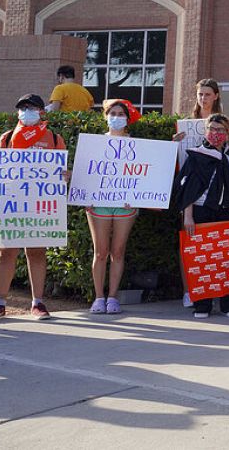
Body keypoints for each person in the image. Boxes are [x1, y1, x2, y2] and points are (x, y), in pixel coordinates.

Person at [0, 94, 68, 323]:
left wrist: (67, 175)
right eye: (23, 108)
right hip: (10, 204)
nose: (27, 112)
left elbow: (61, 172)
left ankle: (37, 302)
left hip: (38, 206)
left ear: (41, 112)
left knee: (36, 252)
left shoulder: (54, 139)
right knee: (5, 252)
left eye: (32, 108)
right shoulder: (7, 139)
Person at [171, 113, 229, 318]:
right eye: (212, 129)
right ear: (206, 131)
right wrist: (188, 216)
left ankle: (228, 303)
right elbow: (188, 187)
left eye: (220, 130)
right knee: (201, 258)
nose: (216, 133)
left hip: (226, 209)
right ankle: (202, 304)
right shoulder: (196, 154)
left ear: (227, 133)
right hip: (200, 208)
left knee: (227, 258)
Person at [86, 99, 142, 314]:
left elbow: (145, 174)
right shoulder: (95, 143)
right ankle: (99, 297)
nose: (116, 117)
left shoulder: (136, 145)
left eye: (121, 113)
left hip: (125, 205)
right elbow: (87, 171)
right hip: (98, 203)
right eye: (113, 113)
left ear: (127, 119)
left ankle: (113, 297)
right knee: (100, 252)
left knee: (118, 252)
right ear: (106, 116)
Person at [171, 77, 222, 308]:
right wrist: (175, 143)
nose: (203, 98)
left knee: (212, 242)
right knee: (188, 238)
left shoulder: (222, 123)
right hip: (190, 189)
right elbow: (177, 160)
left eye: (208, 94)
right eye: (200, 94)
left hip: (215, 191)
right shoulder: (187, 124)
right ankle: (187, 289)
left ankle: (211, 287)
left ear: (216, 96)